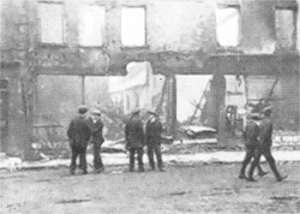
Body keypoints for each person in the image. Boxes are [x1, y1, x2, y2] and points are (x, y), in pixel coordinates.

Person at [247, 106, 287, 182]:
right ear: (269, 113)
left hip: (261, 144)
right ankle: (278, 177)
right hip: (264, 145)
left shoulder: (263, 122)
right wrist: (264, 143)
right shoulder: (268, 122)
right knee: (270, 161)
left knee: (257, 160)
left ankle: (250, 175)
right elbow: (265, 134)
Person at [239, 113, 268, 180]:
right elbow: (254, 135)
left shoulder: (248, 125)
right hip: (254, 144)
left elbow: (244, 134)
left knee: (248, 159)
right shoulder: (255, 126)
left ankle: (243, 173)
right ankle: (250, 175)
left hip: (248, 143)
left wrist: (246, 141)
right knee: (255, 159)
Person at [67, 105, 91, 175]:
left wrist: (71, 138)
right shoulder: (87, 121)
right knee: (83, 156)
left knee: (74, 157)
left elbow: (69, 131)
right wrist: (87, 140)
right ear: (85, 112)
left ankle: (72, 170)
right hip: (83, 142)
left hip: (74, 142)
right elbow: (89, 132)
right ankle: (84, 169)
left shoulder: (74, 120)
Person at [86, 108, 105, 173]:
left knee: (96, 154)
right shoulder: (96, 122)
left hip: (98, 140)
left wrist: (90, 127)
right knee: (96, 153)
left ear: (99, 116)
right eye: (94, 115)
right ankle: (98, 166)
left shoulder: (100, 122)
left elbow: (94, 131)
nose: (95, 116)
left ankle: (99, 166)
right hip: (95, 140)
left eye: (96, 115)